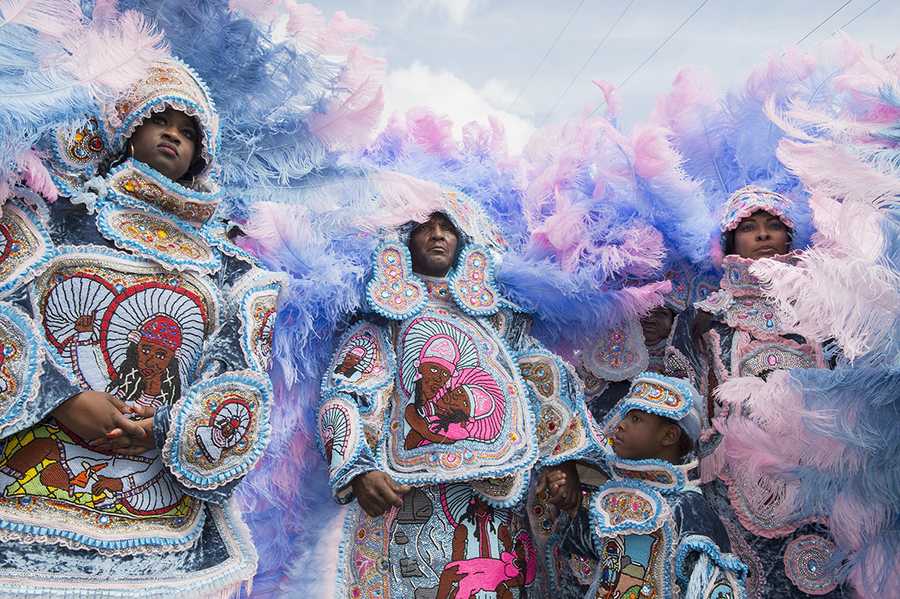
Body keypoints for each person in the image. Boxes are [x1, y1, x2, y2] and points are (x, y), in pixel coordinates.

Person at [0, 56, 280, 596]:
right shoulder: (50, 217)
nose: (173, 135)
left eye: (188, 131)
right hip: (23, 507)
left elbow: (241, 385)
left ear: (203, 153)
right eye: (161, 120)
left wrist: (169, 425)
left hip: (162, 533)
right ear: (129, 126)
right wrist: (61, 397)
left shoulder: (233, 267)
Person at [316, 203, 596, 598]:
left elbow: (545, 379)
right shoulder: (385, 322)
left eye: (448, 227)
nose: (437, 234)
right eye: (424, 226)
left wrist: (563, 460)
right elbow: (345, 394)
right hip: (409, 498)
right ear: (403, 239)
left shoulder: (498, 323)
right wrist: (357, 469)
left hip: (499, 497)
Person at [670, 186, 841, 597]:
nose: (763, 235)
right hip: (729, 480)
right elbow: (683, 401)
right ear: (731, 241)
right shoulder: (705, 317)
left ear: (789, 237)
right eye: (749, 228)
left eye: (773, 227)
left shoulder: (826, 312)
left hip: (819, 473)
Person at [544, 373, 748, 599]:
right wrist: (572, 506)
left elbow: (711, 587)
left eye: (636, 419)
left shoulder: (688, 506)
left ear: (669, 435)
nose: (620, 426)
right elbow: (598, 554)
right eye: (625, 417)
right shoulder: (613, 495)